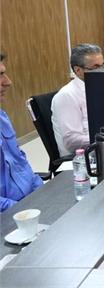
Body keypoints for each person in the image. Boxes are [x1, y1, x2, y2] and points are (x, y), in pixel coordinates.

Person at [0, 53, 43, 212]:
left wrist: (43, 192)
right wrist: (20, 210)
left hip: (27, 205)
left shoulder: (2, 118)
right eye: (0, 75)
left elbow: (20, 161)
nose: (8, 82)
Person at [51, 44, 104, 158]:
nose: (102, 71)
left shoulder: (100, 87)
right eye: (96, 67)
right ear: (78, 70)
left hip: (103, 148)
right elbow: (72, 142)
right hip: (82, 157)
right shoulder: (66, 96)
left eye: (103, 66)